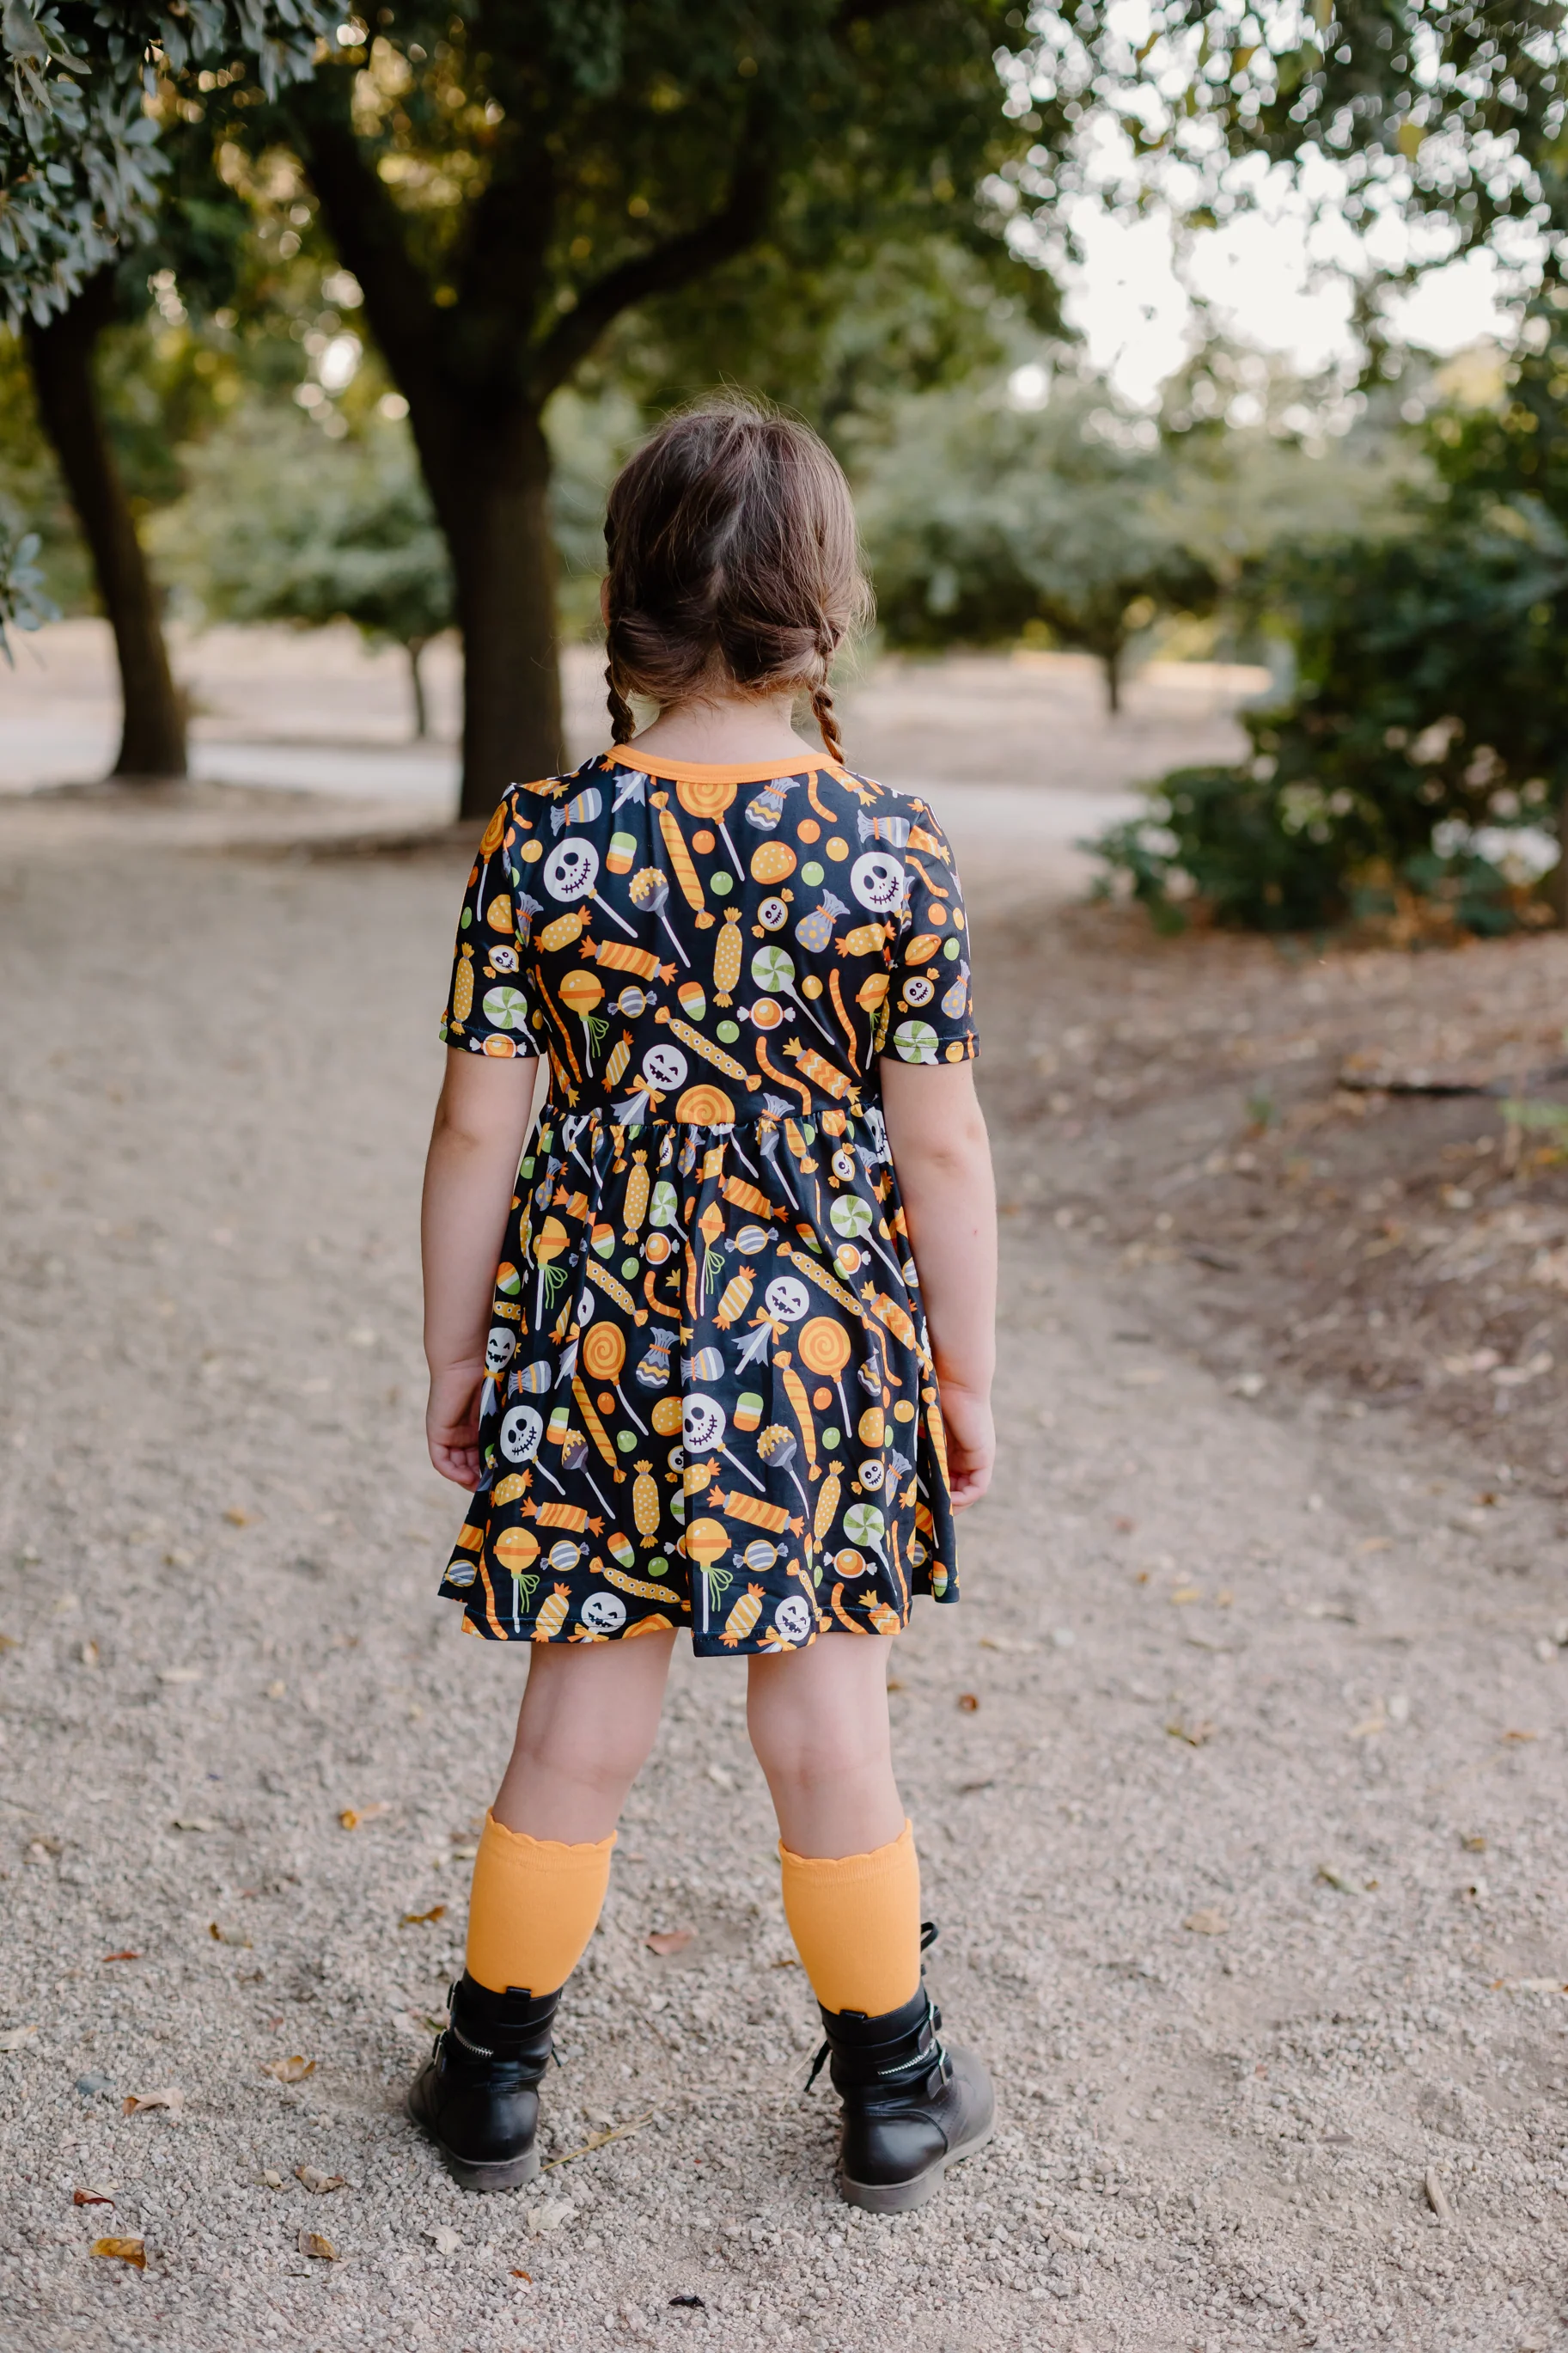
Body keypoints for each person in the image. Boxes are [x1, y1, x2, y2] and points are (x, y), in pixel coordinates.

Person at [407, 398, 998, 2213]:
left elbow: (473, 1120)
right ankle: (893, 2086)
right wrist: (960, 1368)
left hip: (594, 1326)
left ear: (627, 598)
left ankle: (494, 2072)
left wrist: (456, 1347)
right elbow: (946, 1152)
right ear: (825, 598)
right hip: (820, 1329)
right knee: (828, 1723)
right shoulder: (889, 848)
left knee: (580, 1715)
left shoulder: (543, 838)